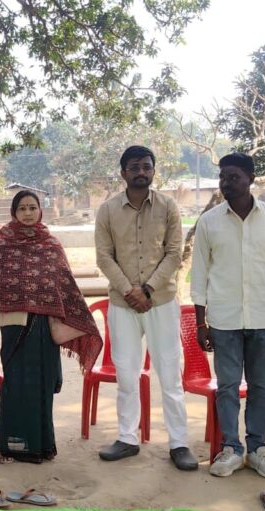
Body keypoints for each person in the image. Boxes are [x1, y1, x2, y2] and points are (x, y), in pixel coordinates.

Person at [94, 145, 198, 471]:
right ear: (123, 172)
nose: (141, 172)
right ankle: (127, 438)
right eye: (135, 167)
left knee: (169, 373)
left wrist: (148, 289)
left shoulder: (168, 207)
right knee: (126, 373)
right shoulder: (108, 210)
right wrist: (130, 291)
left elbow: (174, 252)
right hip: (122, 303)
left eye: (147, 167)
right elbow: (103, 256)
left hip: (161, 301)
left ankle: (178, 443)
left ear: (153, 170)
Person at [190, 152, 265, 479]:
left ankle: (258, 449)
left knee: (261, 387)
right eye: (222, 177)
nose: (226, 183)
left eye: (233, 177)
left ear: (250, 178)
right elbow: (199, 274)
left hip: (263, 318)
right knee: (228, 387)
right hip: (224, 321)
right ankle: (231, 449)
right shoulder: (209, 222)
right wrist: (201, 322)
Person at [0, 190, 103, 464]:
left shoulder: (51, 245)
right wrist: (24, 296)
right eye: (22, 208)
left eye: (32, 207)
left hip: (43, 326)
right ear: (14, 212)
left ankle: (40, 446)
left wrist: (45, 302)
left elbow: (64, 285)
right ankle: (7, 446)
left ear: (40, 210)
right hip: (14, 324)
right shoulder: (3, 242)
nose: (27, 213)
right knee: (15, 385)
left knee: (41, 386)